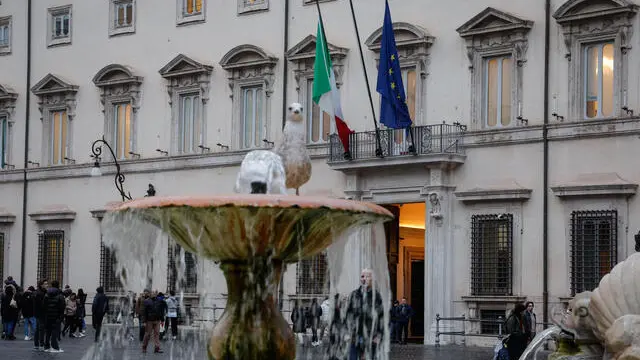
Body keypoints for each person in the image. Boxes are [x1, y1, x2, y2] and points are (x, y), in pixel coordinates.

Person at [346, 269, 385, 360]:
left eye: (367, 276)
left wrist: (379, 335)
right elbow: (348, 314)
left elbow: (381, 317)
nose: (364, 279)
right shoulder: (354, 294)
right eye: (362, 276)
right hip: (355, 336)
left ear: (372, 279)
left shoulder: (377, 296)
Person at [43, 280, 65, 353]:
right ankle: (55, 347)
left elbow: (44, 306)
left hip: (47, 316)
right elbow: (62, 307)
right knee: (54, 332)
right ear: (58, 285)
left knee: (48, 332)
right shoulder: (60, 295)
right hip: (56, 316)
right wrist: (61, 317)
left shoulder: (46, 294)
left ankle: (46, 347)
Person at [33, 280, 48, 350]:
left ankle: (37, 344)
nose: (47, 285)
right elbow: (42, 305)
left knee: (38, 329)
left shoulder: (40, 292)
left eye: (47, 284)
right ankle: (41, 344)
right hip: (41, 313)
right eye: (45, 284)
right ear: (41, 285)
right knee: (41, 329)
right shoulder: (40, 293)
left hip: (39, 313)